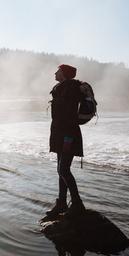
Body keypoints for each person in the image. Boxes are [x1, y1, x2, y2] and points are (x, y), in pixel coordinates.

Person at [46, 64, 86, 218]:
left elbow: (70, 116)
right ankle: (62, 203)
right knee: (60, 170)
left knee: (63, 169)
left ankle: (77, 204)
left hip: (68, 135)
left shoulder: (70, 90)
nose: (55, 72)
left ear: (65, 74)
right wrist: (54, 138)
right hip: (59, 133)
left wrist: (68, 139)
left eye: (59, 70)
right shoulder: (61, 88)